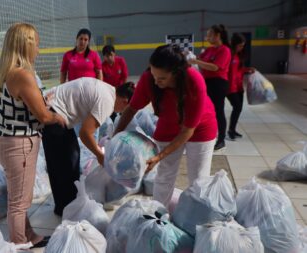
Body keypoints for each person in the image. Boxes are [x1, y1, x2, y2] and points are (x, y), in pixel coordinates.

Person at [114, 44, 217, 208]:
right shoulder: (149, 79)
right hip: (168, 125)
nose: (156, 81)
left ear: (176, 73)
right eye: (154, 75)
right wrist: (116, 136)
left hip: (200, 128)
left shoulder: (194, 82)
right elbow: (131, 109)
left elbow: (188, 131)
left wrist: (159, 156)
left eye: (161, 78)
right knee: (164, 175)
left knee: (198, 179)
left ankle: (196, 217)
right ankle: (158, 214)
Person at [0, 23, 66, 248]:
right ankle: (18, 244)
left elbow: (23, 106)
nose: (38, 51)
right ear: (26, 45)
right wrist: (57, 117)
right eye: (37, 45)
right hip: (19, 144)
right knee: (19, 202)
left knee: (18, 197)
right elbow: (43, 116)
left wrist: (43, 99)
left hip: (6, 141)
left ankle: (30, 235)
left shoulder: (6, 71)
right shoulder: (22, 74)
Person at [42, 78, 134, 216]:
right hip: (53, 113)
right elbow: (85, 133)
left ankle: (65, 206)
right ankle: (67, 209)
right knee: (65, 162)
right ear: (125, 101)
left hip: (52, 108)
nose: (121, 113)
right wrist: (99, 154)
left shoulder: (108, 90)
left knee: (67, 158)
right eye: (125, 110)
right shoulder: (107, 102)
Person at [188, 24, 231, 151]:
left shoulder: (224, 50)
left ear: (218, 35)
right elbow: (199, 59)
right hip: (207, 82)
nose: (207, 37)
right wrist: (190, 56)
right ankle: (209, 133)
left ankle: (222, 139)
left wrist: (196, 62)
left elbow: (215, 67)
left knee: (218, 111)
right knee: (206, 109)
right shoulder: (209, 50)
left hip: (218, 83)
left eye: (210, 34)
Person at [227, 33, 255, 140]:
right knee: (237, 107)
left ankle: (232, 129)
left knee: (238, 109)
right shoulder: (228, 54)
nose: (241, 48)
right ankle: (230, 130)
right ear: (234, 44)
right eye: (240, 45)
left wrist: (248, 69)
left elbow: (239, 70)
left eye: (243, 46)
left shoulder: (239, 55)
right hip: (230, 88)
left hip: (239, 86)